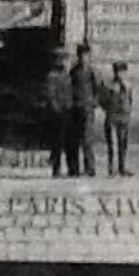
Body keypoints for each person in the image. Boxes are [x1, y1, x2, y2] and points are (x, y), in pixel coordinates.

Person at [67, 42, 100, 176]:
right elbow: (70, 87)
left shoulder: (92, 71)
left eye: (85, 55)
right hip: (75, 107)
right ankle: (74, 169)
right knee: (74, 139)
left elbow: (97, 88)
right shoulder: (74, 71)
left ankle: (90, 168)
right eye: (81, 55)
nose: (83, 58)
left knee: (87, 139)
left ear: (89, 56)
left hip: (87, 108)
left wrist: (93, 102)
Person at [99, 60, 134, 177]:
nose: (121, 74)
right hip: (112, 117)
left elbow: (130, 100)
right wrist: (109, 110)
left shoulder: (128, 86)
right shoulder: (109, 86)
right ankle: (112, 168)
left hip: (124, 117)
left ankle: (122, 167)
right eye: (118, 72)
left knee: (123, 143)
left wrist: (128, 112)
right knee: (112, 144)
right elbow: (102, 100)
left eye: (123, 72)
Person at [44, 47, 75, 178]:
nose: (63, 62)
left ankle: (72, 168)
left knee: (70, 141)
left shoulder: (67, 75)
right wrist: (56, 109)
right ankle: (56, 169)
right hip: (58, 113)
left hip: (68, 110)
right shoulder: (52, 76)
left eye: (65, 59)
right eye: (60, 59)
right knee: (57, 142)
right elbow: (51, 95)